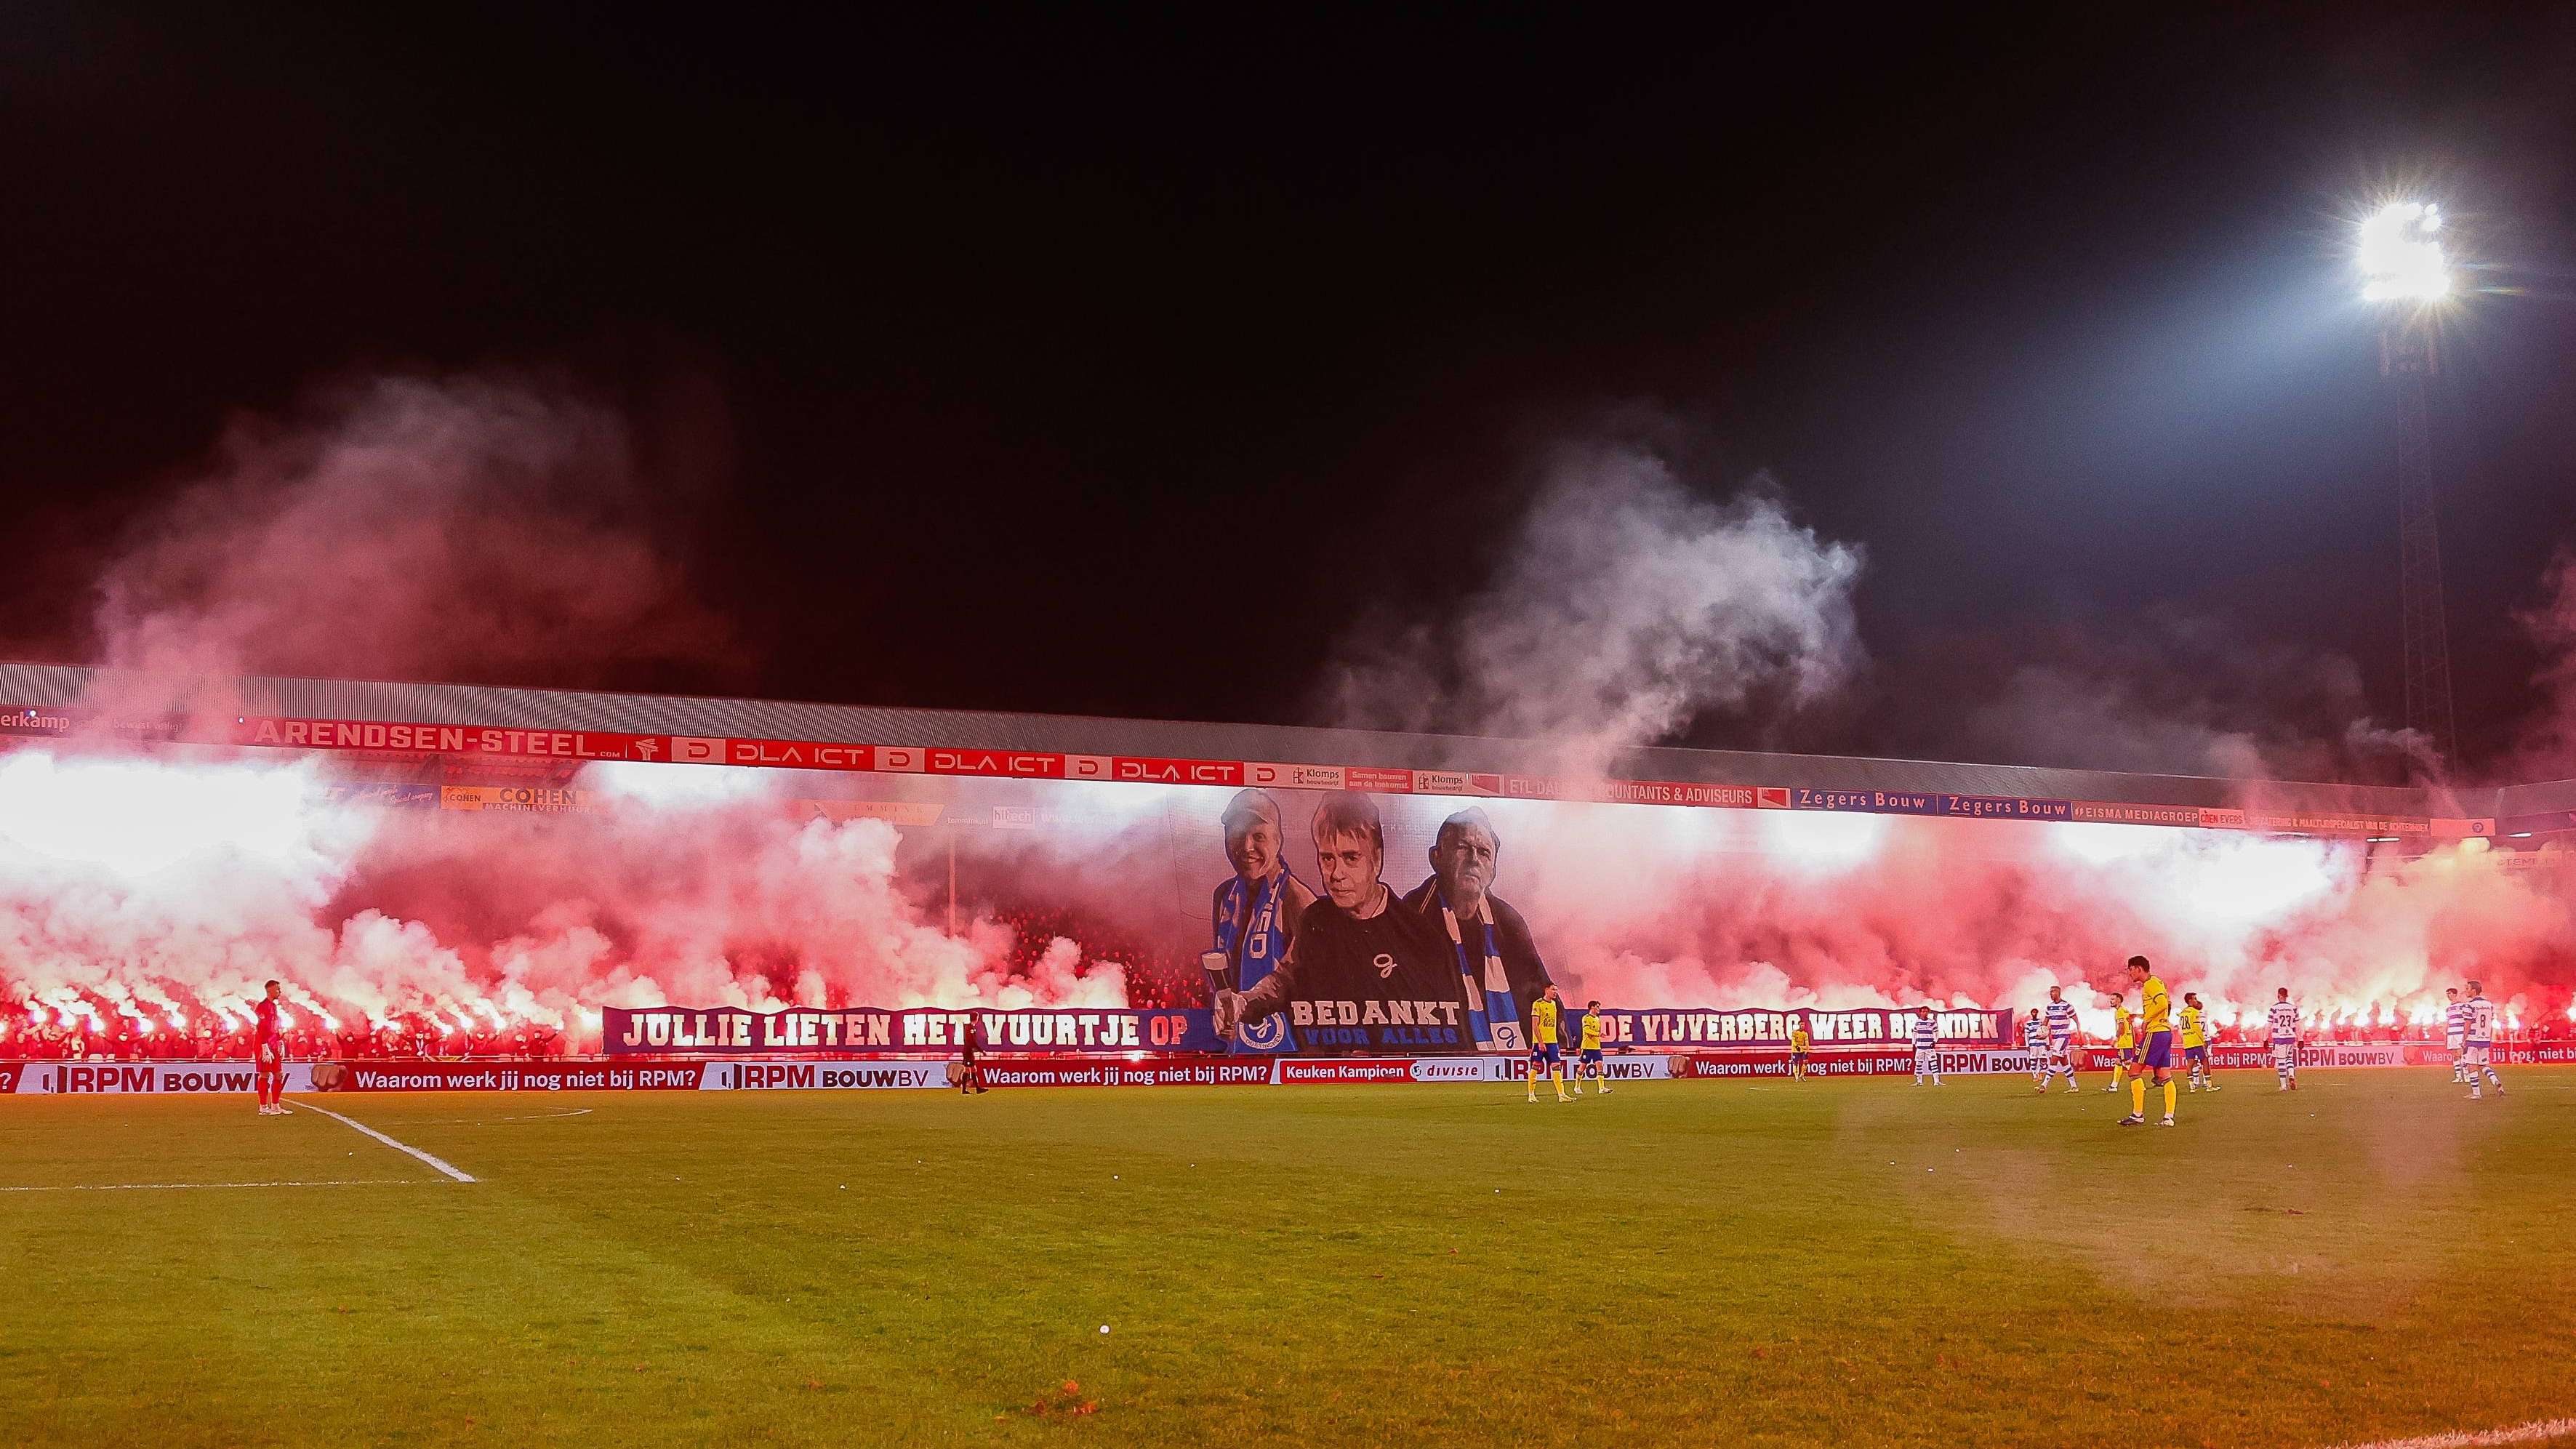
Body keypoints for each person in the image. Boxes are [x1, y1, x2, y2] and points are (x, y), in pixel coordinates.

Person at [1214, 792, 1465, 1054]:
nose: (1337, 874)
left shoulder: (1421, 937)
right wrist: (1244, 1002)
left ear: (1376, 859)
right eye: (1327, 858)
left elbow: (1449, 1036)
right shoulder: (1316, 919)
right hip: (1321, 1081)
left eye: (1351, 857)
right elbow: (1286, 979)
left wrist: (1383, 1059)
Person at [1400, 806, 1552, 1053]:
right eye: (1463, 848)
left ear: (1492, 871)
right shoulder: (1411, 916)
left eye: (1484, 853)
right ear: (1436, 857)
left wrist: (1562, 1049)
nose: (1473, 859)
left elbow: (1542, 994)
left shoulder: (1508, 922)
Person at [1204, 790, 1316, 1053]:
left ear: (1278, 841)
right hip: (1237, 1049)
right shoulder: (1224, 896)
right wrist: (1227, 1006)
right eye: (1237, 835)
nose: (1246, 847)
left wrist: (1245, 1003)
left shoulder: (1299, 901)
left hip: (1290, 1050)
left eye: (1258, 836)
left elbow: (1293, 977)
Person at [2120, 955, 2175, 1128]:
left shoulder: (2150, 984)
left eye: (2130, 969)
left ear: (2138, 968)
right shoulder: (2158, 982)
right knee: (2165, 1076)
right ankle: (2168, 1117)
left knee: (2133, 1072)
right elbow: (2168, 1003)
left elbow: (2162, 1003)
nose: (2129, 973)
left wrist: (2147, 1020)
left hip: (2156, 1033)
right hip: (2164, 1031)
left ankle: (2138, 1115)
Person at [2461, 980, 2503, 1100]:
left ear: (2474, 990)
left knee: (2471, 1065)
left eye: (2468, 989)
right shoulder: (2489, 1004)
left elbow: (2468, 1023)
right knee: (2482, 1065)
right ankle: (2496, 1082)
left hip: (2473, 1038)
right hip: (2485, 1038)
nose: (2466, 991)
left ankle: (2476, 1093)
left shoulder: (2469, 1005)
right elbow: (2490, 1021)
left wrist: (2464, 1039)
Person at [253, 980, 286, 1116]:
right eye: (277, 989)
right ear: (270, 991)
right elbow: (261, 1027)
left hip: (273, 1044)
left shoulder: (274, 1007)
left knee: (279, 1074)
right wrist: (264, 1046)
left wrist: (280, 1041)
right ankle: (263, 1107)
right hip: (264, 1045)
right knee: (264, 1074)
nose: (280, 991)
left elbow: (274, 1028)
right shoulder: (262, 1007)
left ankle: (276, 1106)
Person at [2044, 986, 2080, 1093]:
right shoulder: (2049, 1007)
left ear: (2058, 993)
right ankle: (2074, 1086)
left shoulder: (2066, 1006)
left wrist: (2079, 1030)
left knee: (2054, 1058)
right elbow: (2045, 1022)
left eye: (2053, 992)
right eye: (2050, 992)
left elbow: (2076, 1019)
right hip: (2054, 1037)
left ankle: (2044, 1084)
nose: (2051, 994)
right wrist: (2041, 1032)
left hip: (2063, 1036)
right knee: (2064, 1061)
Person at [2180, 992, 2218, 1093]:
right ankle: (2209, 1086)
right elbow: (2197, 1028)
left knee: (2190, 1064)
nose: (2196, 1001)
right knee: (2205, 1061)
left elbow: (2181, 1028)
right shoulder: (2194, 1012)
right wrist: (2203, 1041)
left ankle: (2192, 1087)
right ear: (2190, 1001)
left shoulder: (2183, 1012)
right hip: (2196, 1041)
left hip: (2187, 1041)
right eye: (2195, 999)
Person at [1572, 999, 1608, 1096]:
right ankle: (1577, 1087)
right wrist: (1598, 1034)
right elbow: (1587, 1031)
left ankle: (1601, 1088)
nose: (1599, 1009)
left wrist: (1598, 1037)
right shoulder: (1586, 1018)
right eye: (1597, 1007)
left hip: (1596, 1047)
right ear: (1592, 1007)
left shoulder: (1597, 1019)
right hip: (1587, 1047)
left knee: (1600, 1065)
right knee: (1583, 1067)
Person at [2266, 987, 2300, 1091]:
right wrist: (2301, 1039)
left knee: (2281, 1061)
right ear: (2286, 996)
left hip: (2279, 1038)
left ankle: (2283, 1086)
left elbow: (2268, 1025)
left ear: (2279, 996)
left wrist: (2265, 1039)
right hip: (2291, 1037)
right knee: (2289, 1058)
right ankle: (2291, 1074)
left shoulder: (2274, 1008)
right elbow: (2298, 1025)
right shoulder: (2293, 1008)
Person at [2105, 1008, 2137, 1097]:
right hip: (2128, 1041)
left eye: (2113, 999)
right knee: (2118, 1062)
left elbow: (2121, 1028)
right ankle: (2114, 1086)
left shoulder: (2119, 1012)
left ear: (2118, 1000)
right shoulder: (2126, 1012)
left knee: (2127, 1063)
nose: (2111, 1001)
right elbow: (2131, 1028)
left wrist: (2115, 1039)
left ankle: (2138, 1083)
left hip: (2123, 1042)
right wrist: (2134, 1043)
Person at [1909, 1006, 1941, 1085]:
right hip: (1920, 1047)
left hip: (1929, 1047)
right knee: (1918, 1064)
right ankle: (1919, 1082)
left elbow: (1936, 1032)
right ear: (1920, 1012)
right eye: (1923, 1011)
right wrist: (1914, 1044)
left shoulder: (1932, 1022)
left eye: (1926, 1011)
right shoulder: (1917, 1022)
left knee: (1933, 1063)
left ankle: (1936, 1082)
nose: (1925, 1013)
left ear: (1928, 1012)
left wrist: (1935, 1041)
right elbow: (1914, 1033)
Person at [958, 1011, 987, 1096]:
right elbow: (972, 1042)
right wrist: (982, 1051)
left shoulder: (970, 1027)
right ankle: (969, 1089)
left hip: (968, 1051)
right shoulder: (970, 1028)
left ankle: (976, 1089)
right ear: (976, 1018)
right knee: (968, 1070)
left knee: (972, 1069)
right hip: (968, 1052)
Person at [2443, 987, 2468, 1084]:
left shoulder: (2462, 1006)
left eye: (2450, 993)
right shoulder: (2448, 1009)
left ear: (2454, 994)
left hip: (2459, 1032)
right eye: (2447, 994)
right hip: (2451, 1033)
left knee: (2462, 1054)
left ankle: (2466, 1075)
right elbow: (2448, 1021)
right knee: (2454, 1055)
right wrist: (2446, 1032)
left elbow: (2467, 1019)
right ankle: (2458, 1076)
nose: (2448, 995)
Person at [2022, 1008, 2048, 1092]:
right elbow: (2026, 1035)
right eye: (2033, 1012)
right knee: (2033, 1060)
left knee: (2044, 1059)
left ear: (2037, 1013)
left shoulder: (2041, 1022)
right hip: (2033, 1044)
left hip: (2042, 1043)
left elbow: (2045, 1033)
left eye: (2036, 1012)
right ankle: (2034, 1075)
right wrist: (2027, 1045)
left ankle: (2038, 1071)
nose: (2034, 1013)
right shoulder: (2028, 1024)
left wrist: (2047, 1043)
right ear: (2031, 1014)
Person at [1788, 1016, 1813, 1082]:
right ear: (1798, 1025)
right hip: (1795, 1050)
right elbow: (1793, 1041)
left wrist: (1807, 1050)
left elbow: (1807, 1042)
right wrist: (1797, 1046)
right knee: (1796, 1063)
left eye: (1803, 1024)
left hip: (1802, 1049)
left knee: (1806, 1062)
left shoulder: (1805, 1033)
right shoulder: (1795, 1032)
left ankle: (1802, 1075)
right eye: (1801, 1024)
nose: (1802, 1026)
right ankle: (1796, 1077)